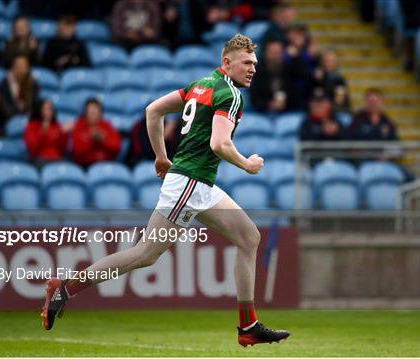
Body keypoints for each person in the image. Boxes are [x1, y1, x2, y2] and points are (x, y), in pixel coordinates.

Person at [41, 34, 290, 347]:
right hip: (189, 183)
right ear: (227, 63)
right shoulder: (230, 94)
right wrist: (247, 165)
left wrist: (161, 156)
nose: (253, 68)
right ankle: (65, 288)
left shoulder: (200, 85)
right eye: (247, 63)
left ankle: (247, 325)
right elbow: (219, 144)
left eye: (255, 63)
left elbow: (152, 111)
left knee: (249, 237)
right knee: (146, 254)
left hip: (198, 183)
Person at [249, 40, 298, 113]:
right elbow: (254, 99)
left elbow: (297, 96)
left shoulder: (289, 71)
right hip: (263, 113)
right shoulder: (257, 73)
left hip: (287, 111)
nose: (276, 56)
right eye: (273, 53)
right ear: (265, 54)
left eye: (279, 53)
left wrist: (296, 57)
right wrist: (269, 104)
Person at [71, 98, 121, 167]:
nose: (93, 113)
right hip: (85, 166)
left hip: (106, 164)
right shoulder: (79, 126)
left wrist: (103, 139)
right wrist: (90, 139)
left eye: (95, 110)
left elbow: (117, 147)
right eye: (90, 110)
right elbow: (76, 151)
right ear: (85, 112)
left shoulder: (107, 126)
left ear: (100, 112)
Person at [24, 99, 67, 167]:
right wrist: (42, 132)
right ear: (40, 110)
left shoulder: (57, 126)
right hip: (40, 159)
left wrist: (64, 134)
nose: (48, 111)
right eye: (45, 109)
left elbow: (62, 149)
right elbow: (32, 149)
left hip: (57, 159)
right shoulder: (32, 126)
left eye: (50, 109)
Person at [309, 49, 351, 113]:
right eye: (327, 60)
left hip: (336, 112)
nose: (329, 63)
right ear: (322, 62)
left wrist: (323, 79)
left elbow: (339, 100)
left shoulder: (339, 79)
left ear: (336, 62)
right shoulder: (315, 78)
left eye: (332, 60)